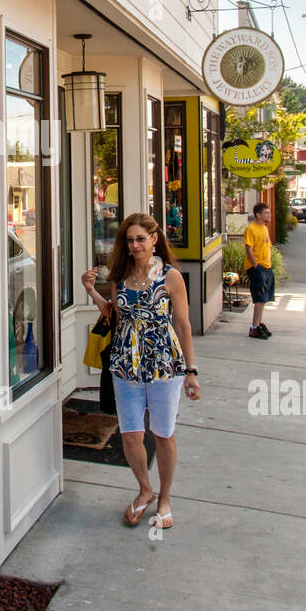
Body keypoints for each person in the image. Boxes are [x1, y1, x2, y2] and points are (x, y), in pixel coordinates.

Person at [81, 212, 199, 530]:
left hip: (163, 365)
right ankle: (144, 489)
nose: (135, 245)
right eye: (129, 240)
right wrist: (92, 290)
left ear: (154, 239)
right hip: (125, 365)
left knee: (163, 435)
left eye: (140, 239)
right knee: (131, 435)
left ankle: (164, 498)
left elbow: (183, 323)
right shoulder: (120, 276)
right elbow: (114, 316)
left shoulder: (171, 276)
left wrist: (191, 370)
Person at [244, 201, 275, 339]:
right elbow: (248, 248)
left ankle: (259, 324)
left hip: (267, 267)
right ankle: (254, 327)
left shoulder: (265, 228)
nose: (269, 215)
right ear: (258, 215)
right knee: (259, 297)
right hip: (257, 267)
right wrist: (255, 265)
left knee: (264, 298)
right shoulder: (251, 229)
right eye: (266, 213)